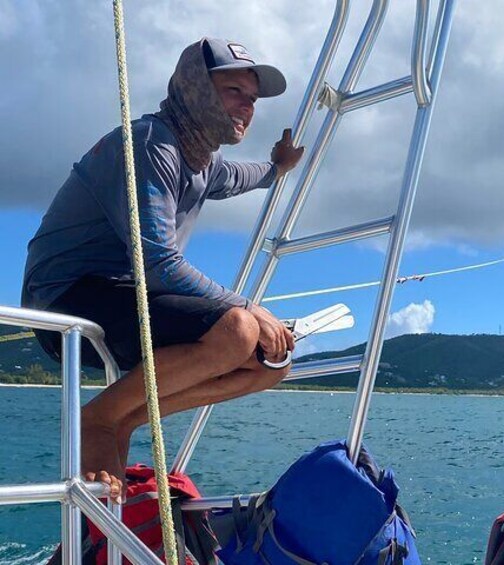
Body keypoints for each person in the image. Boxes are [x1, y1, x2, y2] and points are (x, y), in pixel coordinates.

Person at [21, 38, 305, 503]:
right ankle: (98, 418)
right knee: (237, 328)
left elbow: (243, 177)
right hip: (66, 296)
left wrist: (277, 168)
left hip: (124, 299)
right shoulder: (151, 144)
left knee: (270, 362)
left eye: (251, 99)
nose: (246, 107)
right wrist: (250, 306)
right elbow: (158, 262)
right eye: (233, 90)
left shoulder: (203, 162)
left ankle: (125, 414)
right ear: (195, 87)